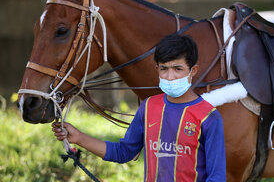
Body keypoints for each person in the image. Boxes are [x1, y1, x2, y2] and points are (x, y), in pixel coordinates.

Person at [52, 33, 226, 181]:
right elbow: (124, 152)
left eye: (178, 69)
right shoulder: (148, 107)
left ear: (193, 71)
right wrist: (79, 138)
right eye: (164, 69)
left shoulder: (208, 117)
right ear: (157, 69)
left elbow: (217, 177)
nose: (170, 76)